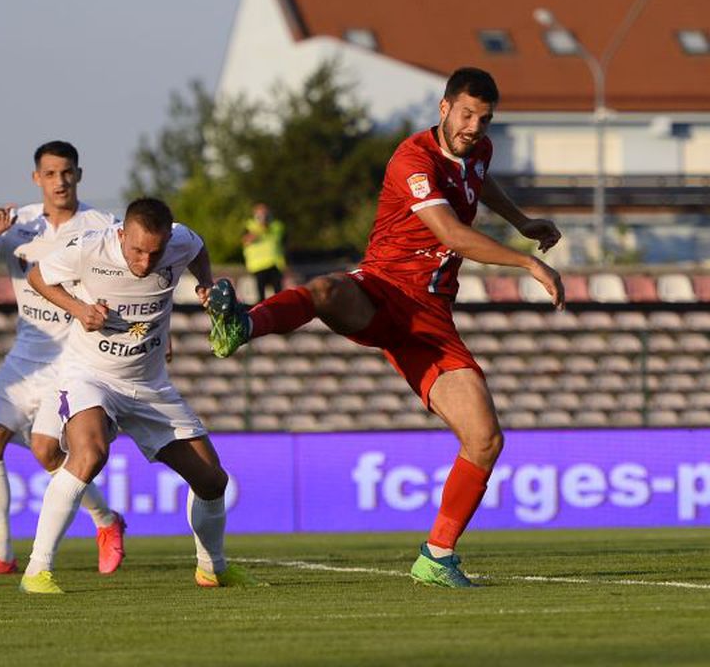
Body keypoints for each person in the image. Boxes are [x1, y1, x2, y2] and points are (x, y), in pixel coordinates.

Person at [207, 67, 565, 588]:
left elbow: (479, 182)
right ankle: (242, 323)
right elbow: (452, 233)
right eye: (465, 115)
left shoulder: (478, 151)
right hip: (383, 291)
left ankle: (436, 556)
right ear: (443, 109)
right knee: (327, 290)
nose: (473, 126)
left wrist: (521, 222)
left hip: (431, 318)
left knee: (485, 439)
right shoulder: (411, 158)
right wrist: (528, 262)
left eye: (483, 119)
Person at [18, 197, 262, 593]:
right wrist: (79, 309)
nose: (146, 263)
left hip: (150, 385)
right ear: (121, 233)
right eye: (136, 250)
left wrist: (205, 282)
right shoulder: (89, 248)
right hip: (91, 377)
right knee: (90, 454)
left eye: (155, 252)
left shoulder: (181, 240)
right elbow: (38, 277)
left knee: (212, 481)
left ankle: (212, 569)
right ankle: (37, 571)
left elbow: (197, 249)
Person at [0, 140, 126, 576]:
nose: (59, 181)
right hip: (25, 356)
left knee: (47, 454)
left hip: (74, 360)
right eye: (50, 173)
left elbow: (132, 275)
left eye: (67, 172)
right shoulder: (18, 224)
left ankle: (106, 522)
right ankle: (1, 553)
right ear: (36, 178)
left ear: (78, 175)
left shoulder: (102, 225)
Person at [242, 203, 286, 299]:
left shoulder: (277, 226)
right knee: (260, 295)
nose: (264, 218)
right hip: (258, 266)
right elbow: (245, 240)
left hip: (275, 264)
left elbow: (283, 243)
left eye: (266, 215)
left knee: (278, 293)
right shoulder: (249, 226)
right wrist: (259, 229)